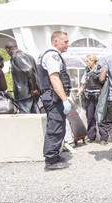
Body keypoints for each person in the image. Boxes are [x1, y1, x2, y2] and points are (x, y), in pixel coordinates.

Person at [36, 31, 72, 170]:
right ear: (55, 41)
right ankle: (51, 160)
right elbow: (55, 78)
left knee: (57, 126)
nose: (67, 44)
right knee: (55, 127)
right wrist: (64, 99)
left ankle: (54, 155)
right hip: (53, 96)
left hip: (50, 95)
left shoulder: (46, 54)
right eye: (65, 42)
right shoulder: (52, 55)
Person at [76, 54, 109, 145]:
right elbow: (83, 85)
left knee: (101, 118)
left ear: (93, 61)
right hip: (89, 97)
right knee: (90, 118)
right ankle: (91, 136)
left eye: (88, 61)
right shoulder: (86, 72)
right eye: (86, 61)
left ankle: (104, 138)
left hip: (99, 98)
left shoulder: (100, 70)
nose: (86, 62)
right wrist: (78, 94)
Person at [5, 41, 40, 113]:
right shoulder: (28, 56)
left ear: (8, 49)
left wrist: (33, 88)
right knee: (33, 115)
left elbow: (29, 70)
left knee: (25, 116)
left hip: (25, 92)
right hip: (30, 92)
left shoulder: (17, 56)